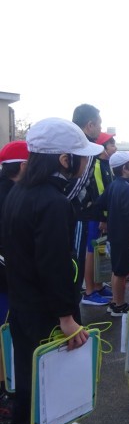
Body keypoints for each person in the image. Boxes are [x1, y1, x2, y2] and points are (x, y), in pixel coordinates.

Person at [2, 118, 99, 424]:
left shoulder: (19, 193)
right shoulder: (53, 202)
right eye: (80, 156)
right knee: (53, 410)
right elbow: (55, 266)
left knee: (27, 401)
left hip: (24, 314)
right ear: (63, 159)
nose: (85, 163)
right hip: (49, 322)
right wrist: (67, 319)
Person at [0, 141, 29, 403]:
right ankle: (5, 387)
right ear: (23, 166)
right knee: (5, 329)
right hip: (6, 277)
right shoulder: (12, 194)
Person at [97, 151, 129, 316]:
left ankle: (115, 302)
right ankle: (120, 305)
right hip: (124, 236)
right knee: (122, 272)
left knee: (116, 270)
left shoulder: (113, 185)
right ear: (124, 169)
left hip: (114, 234)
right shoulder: (127, 187)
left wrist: (107, 219)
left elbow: (100, 203)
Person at [81, 132, 116, 306]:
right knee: (91, 251)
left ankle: (99, 286)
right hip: (95, 216)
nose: (115, 147)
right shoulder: (95, 164)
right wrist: (104, 217)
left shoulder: (106, 164)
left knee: (101, 251)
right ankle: (89, 291)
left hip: (103, 216)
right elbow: (99, 194)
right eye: (111, 144)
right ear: (102, 147)